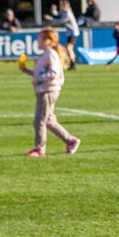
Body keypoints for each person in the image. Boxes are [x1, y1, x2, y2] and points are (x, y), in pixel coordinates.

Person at [20, 27, 80, 158]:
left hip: (48, 90)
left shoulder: (51, 54)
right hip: (46, 89)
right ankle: (71, 141)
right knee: (49, 121)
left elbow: (53, 73)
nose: (38, 42)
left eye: (40, 39)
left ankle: (40, 149)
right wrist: (27, 71)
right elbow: (42, 73)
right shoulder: (47, 54)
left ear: (48, 40)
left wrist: (38, 79)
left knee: (39, 121)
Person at [53, 0, 80, 70]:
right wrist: (54, 10)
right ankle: (73, 61)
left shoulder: (68, 14)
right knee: (69, 49)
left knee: (68, 48)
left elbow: (61, 21)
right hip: (70, 33)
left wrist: (51, 19)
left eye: (61, 6)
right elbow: (58, 14)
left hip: (73, 33)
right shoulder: (64, 12)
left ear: (66, 6)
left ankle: (73, 62)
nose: (60, 7)